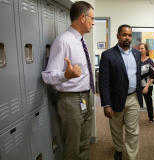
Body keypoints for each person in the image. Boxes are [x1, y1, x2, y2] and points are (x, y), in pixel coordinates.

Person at [41, 1, 95, 159]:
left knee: (84, 141)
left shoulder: (81, 40)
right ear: (83, 18)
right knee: (72, 146)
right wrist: (66, 75)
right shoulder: (63, 41)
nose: (93, 22)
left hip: (85, 97)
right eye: (92, 18)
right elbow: (47, 75)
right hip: (71, 100)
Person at [99, 24, 143, 160]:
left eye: (130, 35)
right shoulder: (107, 55)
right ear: (118, 36)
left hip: (133, 98)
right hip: (115, 99)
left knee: (133, 131)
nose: (127, 38)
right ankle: (118, 148)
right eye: (124, 35)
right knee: (116, 129)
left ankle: (132, 156)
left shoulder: (137, 53)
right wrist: (106, 104)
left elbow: (137, 75)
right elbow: (104, 81)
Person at [138, 43, 154, 123]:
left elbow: (153, 76)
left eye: (142, 48)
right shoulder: (136, 60)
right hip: (138, 85)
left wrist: (147, 87)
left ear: (146, 50)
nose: (140, 50)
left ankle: (151, 117)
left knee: (148, 101)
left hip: (147, 85)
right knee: (136, 102)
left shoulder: (149, 61)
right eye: (139, 48)